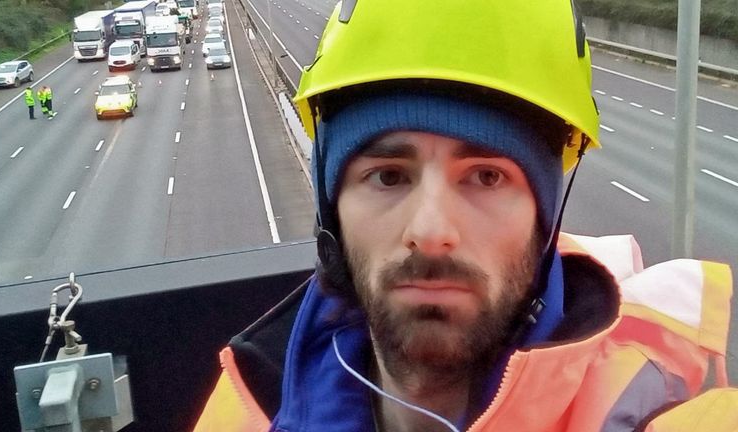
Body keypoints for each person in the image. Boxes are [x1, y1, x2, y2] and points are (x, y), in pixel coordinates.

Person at [194, 1, 736, 431]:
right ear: (331, 210)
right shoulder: (247, 410)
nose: (430, 233)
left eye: (486, 176)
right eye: (388, 176)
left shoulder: (651, 404)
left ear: (545, 221)